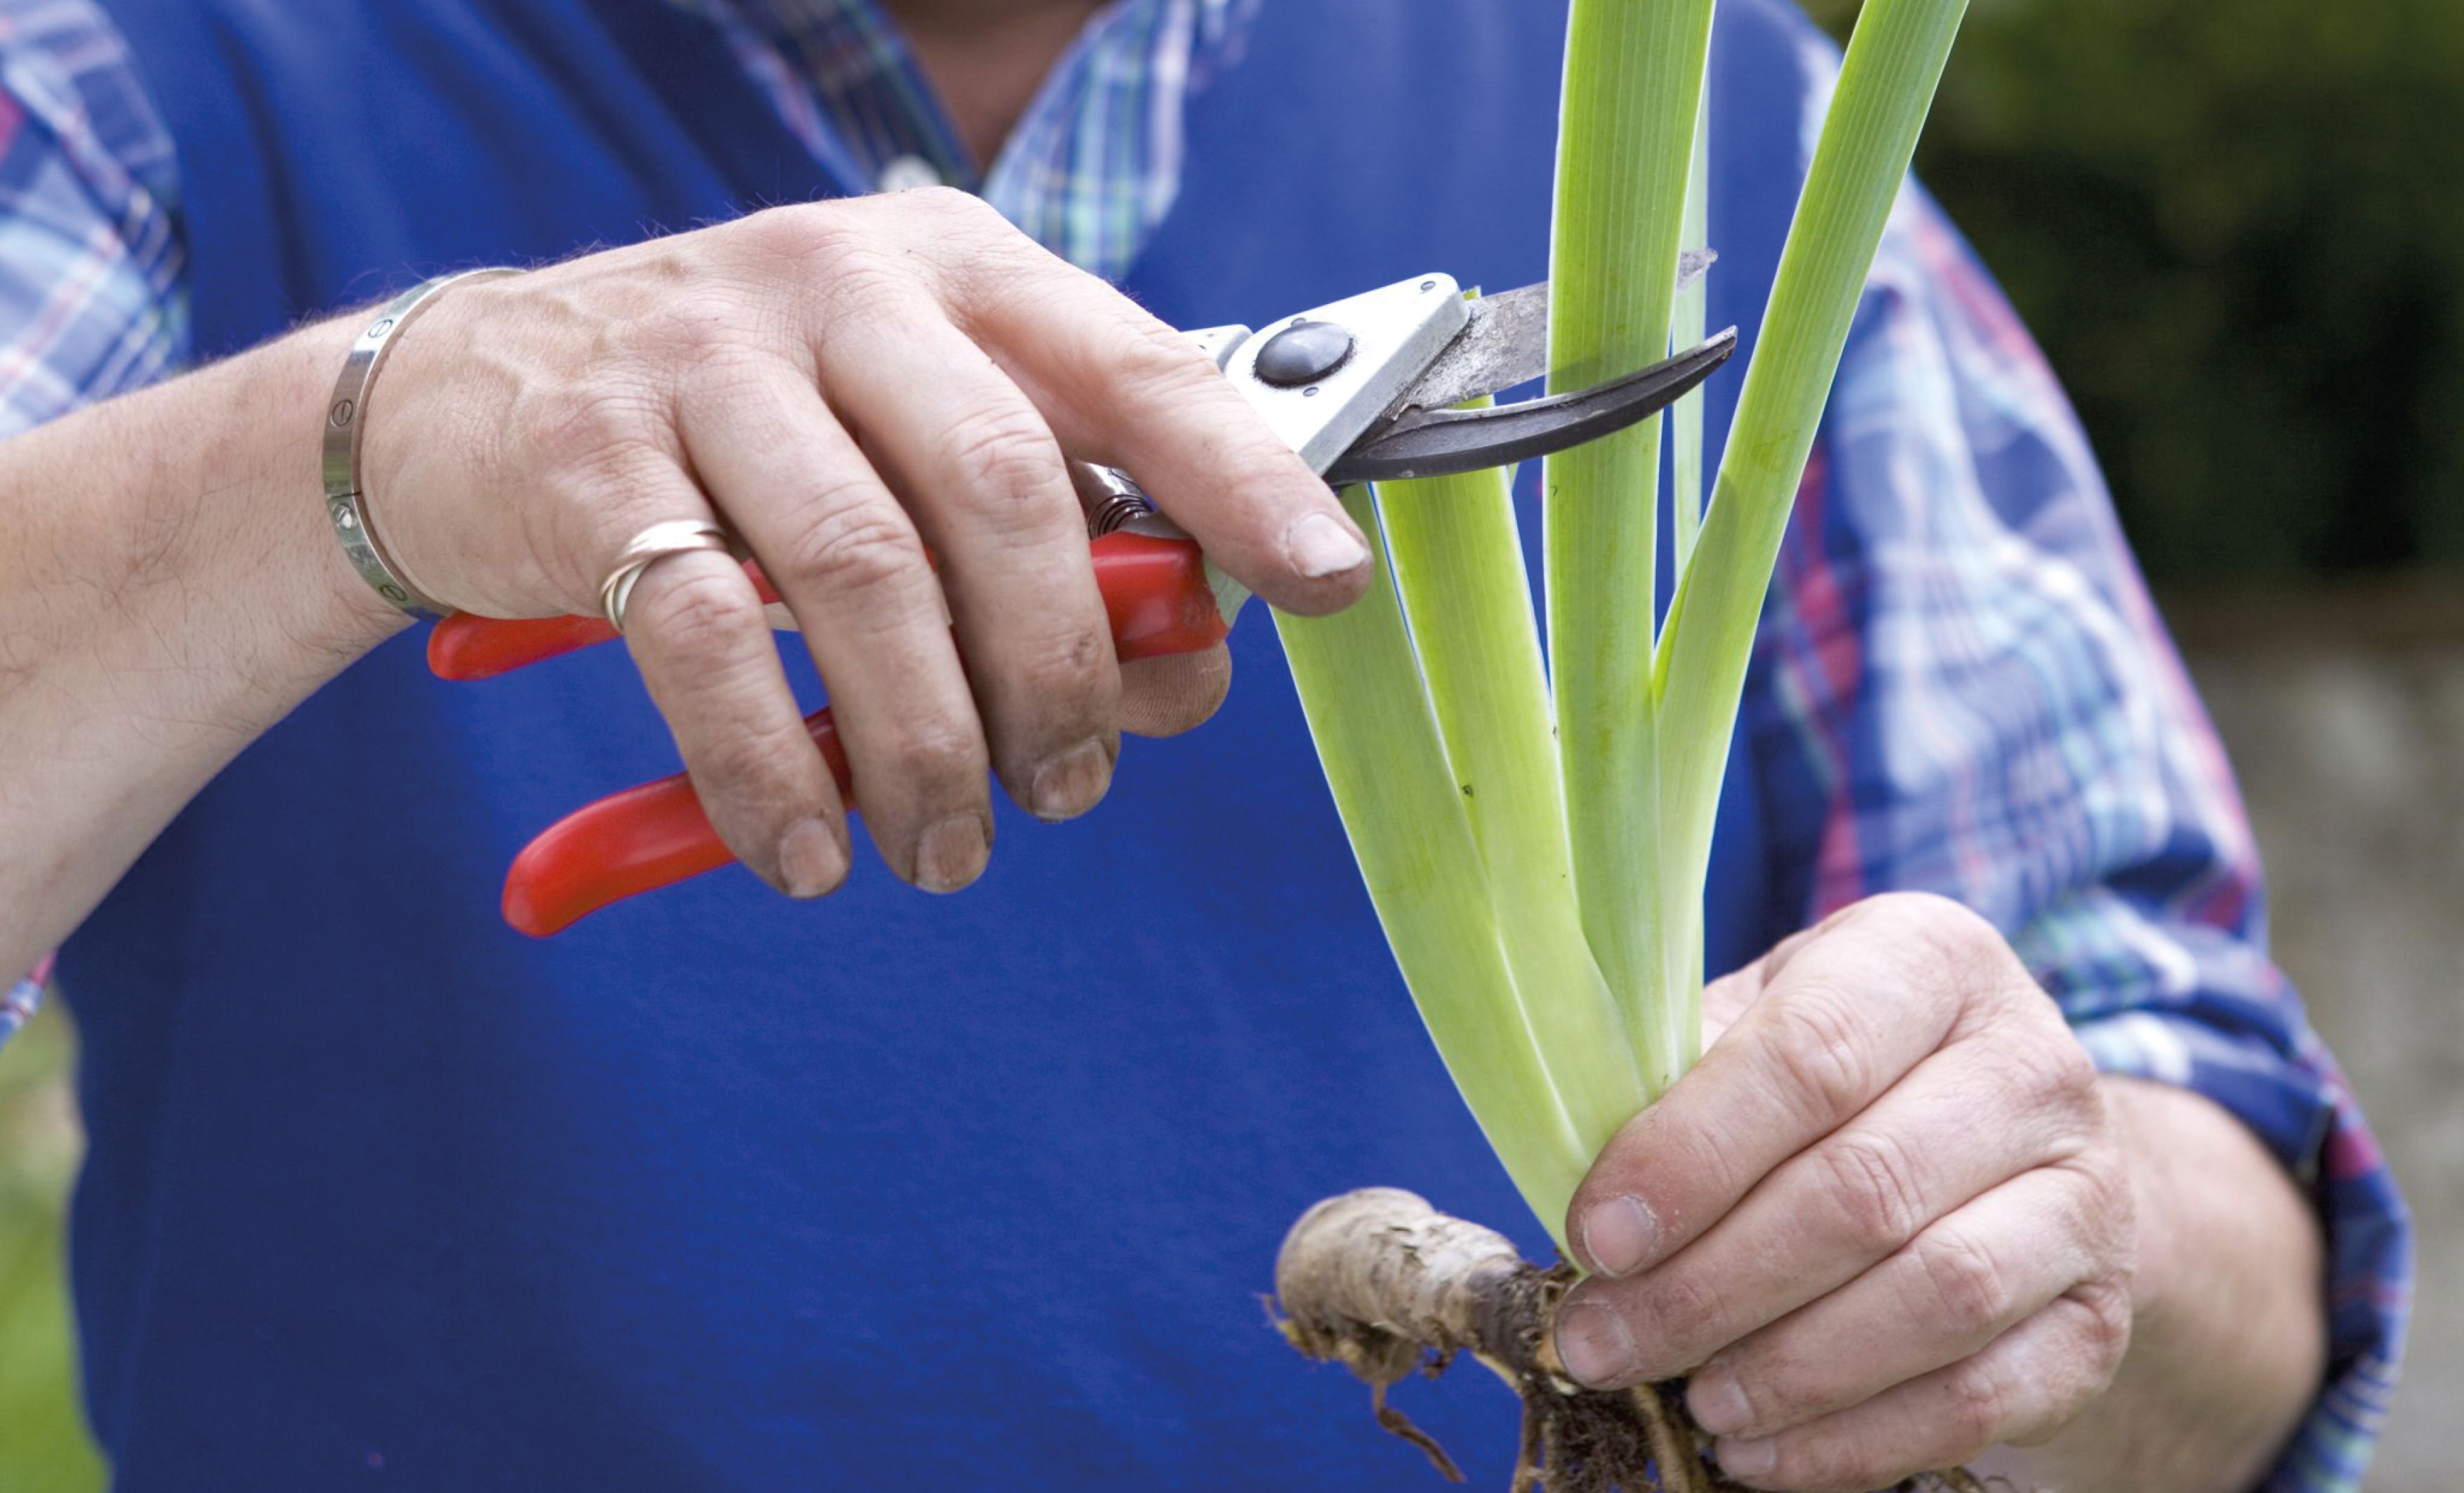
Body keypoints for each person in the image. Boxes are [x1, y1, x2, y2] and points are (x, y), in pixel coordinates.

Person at [0, 0, 2409, 1489]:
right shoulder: (131, 79)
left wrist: (2028, 1239)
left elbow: (2205, 1170)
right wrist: (347, 458)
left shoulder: (1738, 146)